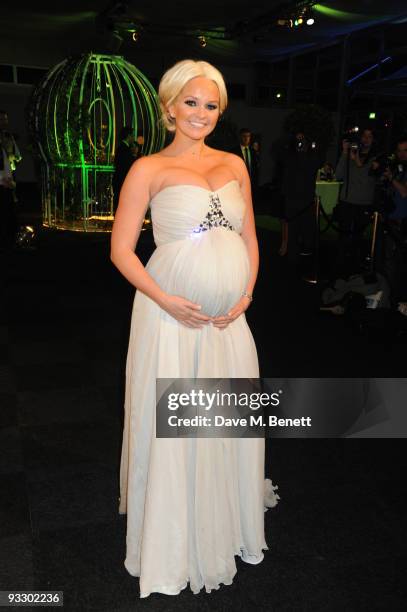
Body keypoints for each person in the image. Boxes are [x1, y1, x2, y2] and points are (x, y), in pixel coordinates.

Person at [110, 59, 279, 599]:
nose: (200, 113)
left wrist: (246, 294)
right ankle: (173, 536)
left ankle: (222, 521)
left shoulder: (235, 163)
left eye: (211, 105)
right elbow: (120, 252)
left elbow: (250, 236)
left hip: (230, 321)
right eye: (191, 102)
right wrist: (167, 300)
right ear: (169, 106)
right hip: (168, 317)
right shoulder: (147, 168)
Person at [333, 127, 378, 276]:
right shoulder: (352, 154)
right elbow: (338, 175)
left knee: (359, 237)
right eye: (364, 136)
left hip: (363, 202)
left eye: (369, 136)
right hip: (347, 200)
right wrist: (345, 153)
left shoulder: (376, 157)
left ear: (374, 139)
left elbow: (366, 177)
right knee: (343, 235)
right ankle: (340, 267)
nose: (365, 139)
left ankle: (357, 267)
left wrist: (355, 159)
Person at [279, 131, 321, 262]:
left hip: (306, 201)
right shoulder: (289, 156)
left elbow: (315, 163)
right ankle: (292, 257)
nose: (300, 143)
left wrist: (305, 149)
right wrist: (293, 141)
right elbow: (279, 152)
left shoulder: (313, 157)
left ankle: (307, 256)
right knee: (292, 231)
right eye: (298, 140)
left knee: (307, 232)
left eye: (303, 140)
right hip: (292, 201)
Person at [112, 127, 136, 213]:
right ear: (128, 136)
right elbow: (127, 166)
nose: (134, 138)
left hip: (120, 181)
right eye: (132, 135)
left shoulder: (122, 148)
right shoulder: (124, 149)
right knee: (121, 205)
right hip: (122, 181)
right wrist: (135, 156)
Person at [231, 127, 259, 197]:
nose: (246, 138)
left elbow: (255, 168)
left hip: (251, 183)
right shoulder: (234, 151)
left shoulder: (253, 151)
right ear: (240, 137)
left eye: (248, 136)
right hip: (238, 182)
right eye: (244, 136)